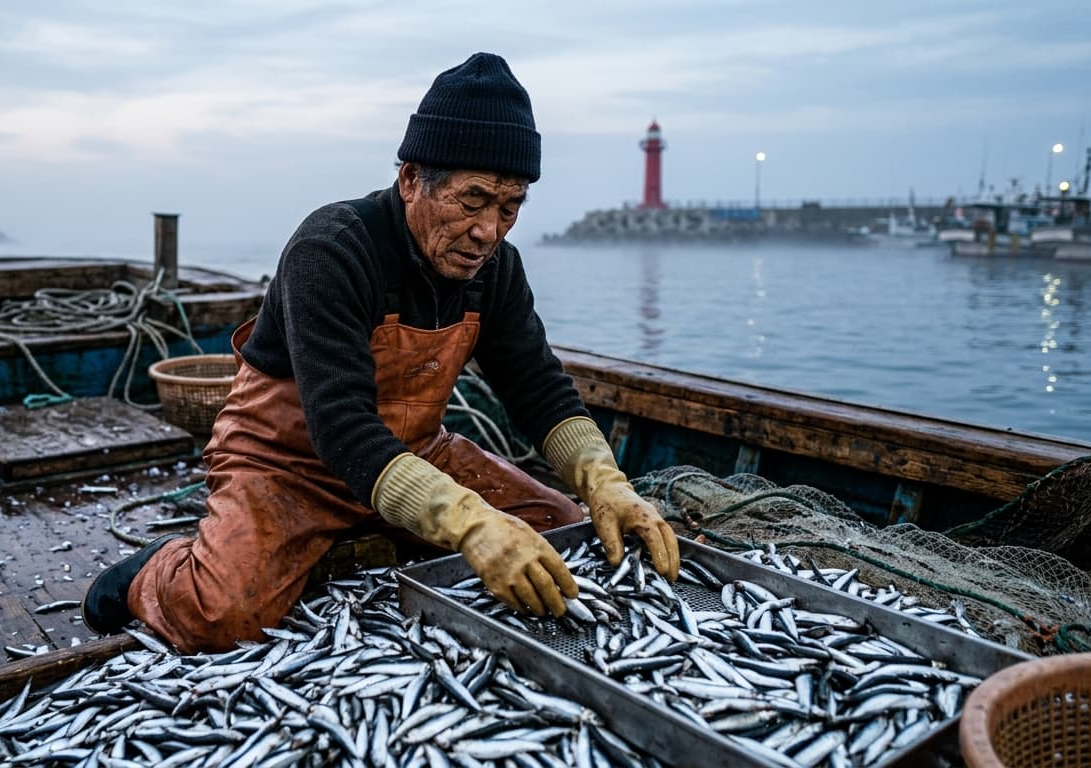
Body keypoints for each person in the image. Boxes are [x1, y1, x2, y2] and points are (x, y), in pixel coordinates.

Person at [82, 52, 679, 652]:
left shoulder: (495, 270)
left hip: (413, 457)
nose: (489, 230)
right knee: (222, 619)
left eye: (510, 206)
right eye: (473, 200)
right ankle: (160, 570)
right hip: (288, 465)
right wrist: (472, 524)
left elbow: (539, 388)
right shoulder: (334, 250)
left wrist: (607, 484)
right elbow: (342, 428)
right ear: (412, 179)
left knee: (565, 537)